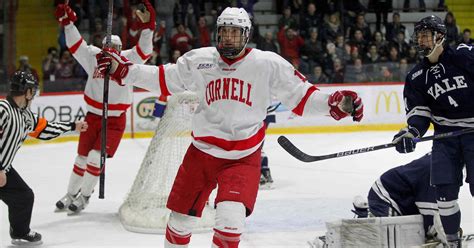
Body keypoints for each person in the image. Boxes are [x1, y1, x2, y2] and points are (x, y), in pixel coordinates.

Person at [97, 7, 364, 247]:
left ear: (246, 35)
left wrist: (335, 103)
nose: (228, 39)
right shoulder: (200, 59)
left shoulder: (266, 64)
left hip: (242, 158)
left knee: (230, 223)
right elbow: (165, 78)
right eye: (224, 33)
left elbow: (301, 96)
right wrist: (124, 71)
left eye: (235, 34)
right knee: (179, 223)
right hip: (200, 153)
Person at [53, 0, 154, 213]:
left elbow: (144, 50)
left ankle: (85, 197)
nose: (111, 51)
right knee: (81, 158)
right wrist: (69, 24)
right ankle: (71, 193)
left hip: (115, 120)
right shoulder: (94, 57)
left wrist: (148, 27)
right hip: (92, 116)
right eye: (108, 47)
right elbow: (76, 46)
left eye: (116, 48)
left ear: (120, 48)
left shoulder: (128, 60)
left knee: (93, 157)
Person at [391, 15, 472, 248]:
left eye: (425, 35)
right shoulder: (417, 77)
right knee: (444, 196)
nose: (421, 40)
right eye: (419, 36)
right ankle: (453, 242)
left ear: (439, 36)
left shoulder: (464, 56)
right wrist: (412, 132)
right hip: (445, 138)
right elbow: (420, 113)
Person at [0, 71, 88, 246]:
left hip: (5, 169)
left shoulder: (25, 116)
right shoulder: (3, 109)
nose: (34, 95)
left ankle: (20, 232)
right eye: (32, 90)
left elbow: (45, 129)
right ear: (27, 92)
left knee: (23, 197)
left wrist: (72, 126)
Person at [358, 153, 445, 244]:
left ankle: (363, 216)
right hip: (386, 195)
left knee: (416, 238)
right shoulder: (437, 167)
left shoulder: (444, 159)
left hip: (408, 200)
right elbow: (430, 212)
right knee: (392, 240)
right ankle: (362, 220)